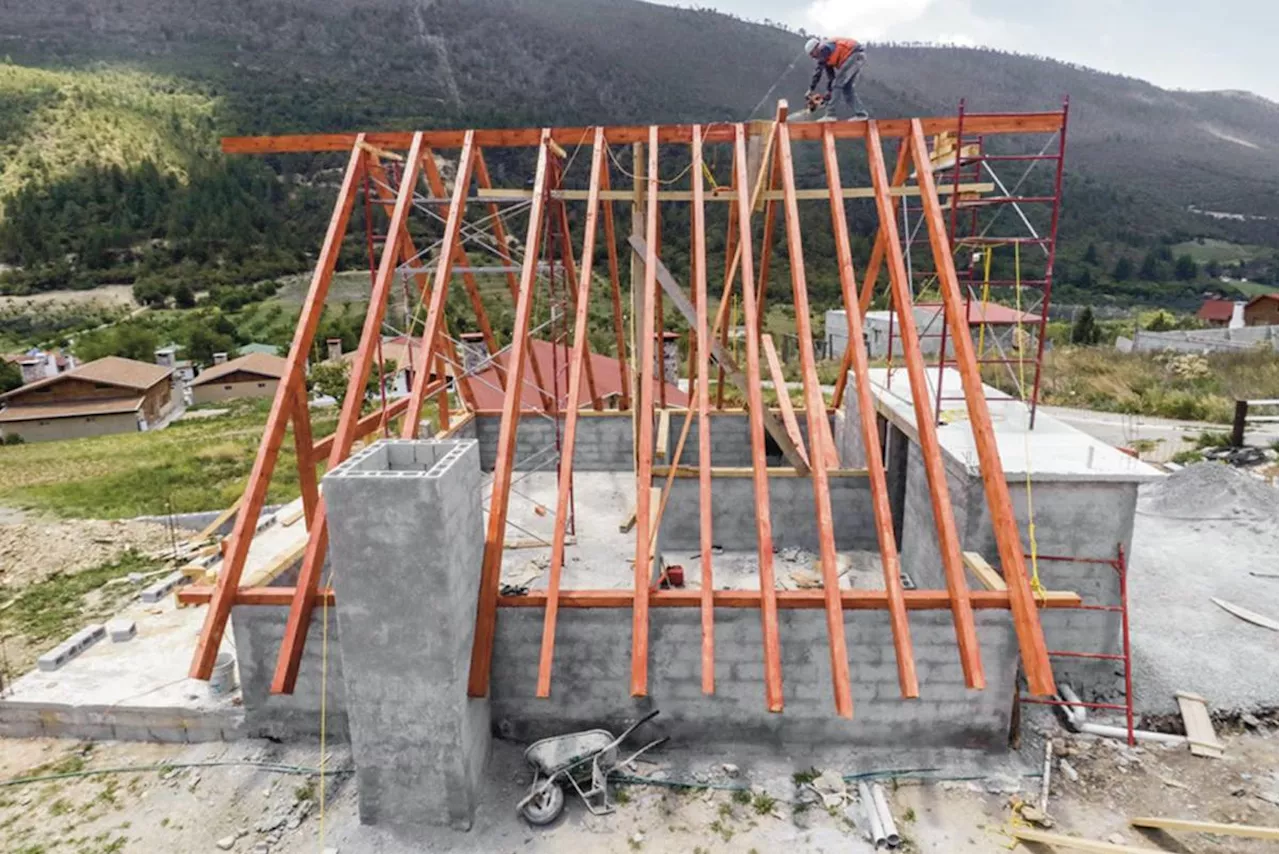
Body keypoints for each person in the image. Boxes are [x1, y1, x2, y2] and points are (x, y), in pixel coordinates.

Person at [804, 35, 868, 120]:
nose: (813, 57)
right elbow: (831, 78)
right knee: (846, 88)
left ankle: (830, 115)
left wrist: (811, 89)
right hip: (857, 57)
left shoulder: (824, 49)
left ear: (816, 48)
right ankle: (861, 115)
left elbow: (818, 71)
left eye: (812, 53)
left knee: (838, 83)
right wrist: (829, 93)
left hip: (854, 55)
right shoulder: (826, 55)